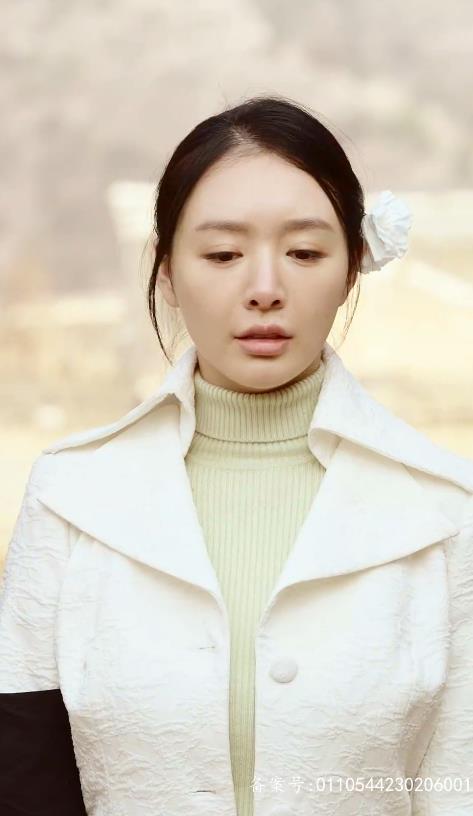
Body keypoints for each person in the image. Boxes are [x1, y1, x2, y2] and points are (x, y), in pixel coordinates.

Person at [1, 95, 472, 816]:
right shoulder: (71, 496)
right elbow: (24, 779)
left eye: (304, 253)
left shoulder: (443, 512)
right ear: (166, 271)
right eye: (223, 254)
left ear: (352, 268)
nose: (264, 290)